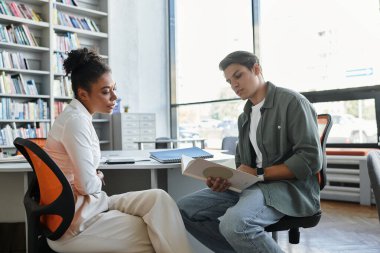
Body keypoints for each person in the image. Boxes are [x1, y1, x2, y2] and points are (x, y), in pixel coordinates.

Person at [44, 48, 192, 253]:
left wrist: (94, 176)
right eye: (106, 91)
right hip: (78, 218)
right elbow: (87, 186)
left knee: (159, 198)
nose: (114, 96)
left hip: (91, 204)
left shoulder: (78, 117)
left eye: (114, 88)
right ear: (83, 94)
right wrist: (97, 176)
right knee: (156, 231)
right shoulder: (75, 122)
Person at [177, 51, 322, 253]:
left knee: (234, 225)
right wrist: (225, 180)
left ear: (256, 69)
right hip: (251, 186)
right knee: (182, 210)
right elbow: (243, 166)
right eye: (229, 81)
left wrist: (258, 174)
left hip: (286, 188)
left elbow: (310, 160)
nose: (234, 85)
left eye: (238, 76)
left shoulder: (293, 102)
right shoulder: (244, 118)